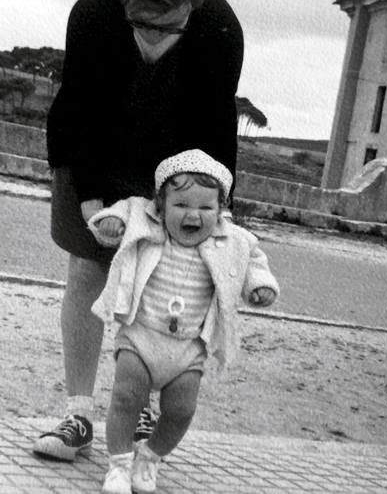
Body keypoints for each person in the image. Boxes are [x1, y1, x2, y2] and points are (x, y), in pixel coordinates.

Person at [35, 0, 244, 461]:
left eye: (168, 29)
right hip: (93, 151)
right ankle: (78, 414)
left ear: (192, 7)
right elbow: (76, 114)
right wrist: (91, 205)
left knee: (163, 279)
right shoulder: (94, 13)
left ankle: (141, 412)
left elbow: (216, 136)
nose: (153, 41)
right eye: (142, 25)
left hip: (175, 164)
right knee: (88, 269)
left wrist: (201, 213)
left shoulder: (220, 28)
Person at [88, 149, 278, 494]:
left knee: (181, 410)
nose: (194, 215)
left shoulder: (231, 239)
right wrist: (110, 222)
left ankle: (150, 456)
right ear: (160, 206)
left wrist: (260, 285)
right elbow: (120, 213)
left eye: (206, 208)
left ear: (220, 211)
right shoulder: (144, 219)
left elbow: (254, 259)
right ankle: (118, 465)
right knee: (126, 397)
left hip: (189, 349)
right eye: (181, 206)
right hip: (141, 335)